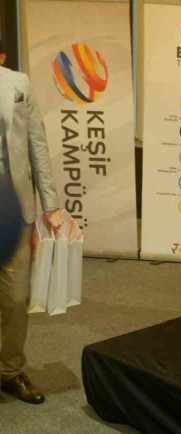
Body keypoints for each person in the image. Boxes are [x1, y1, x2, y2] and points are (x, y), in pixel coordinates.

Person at [1, 39, 64, 404]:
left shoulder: (19, 84)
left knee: (15, 297)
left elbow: (37, 144)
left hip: (13, 210)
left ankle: (9, 370)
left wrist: (50, 203)